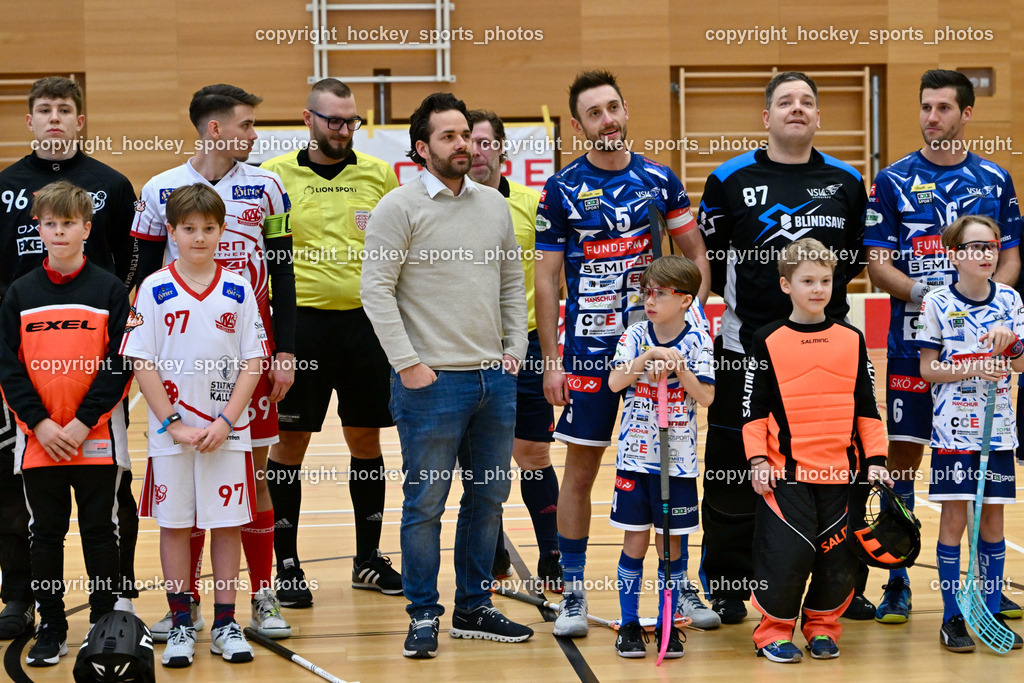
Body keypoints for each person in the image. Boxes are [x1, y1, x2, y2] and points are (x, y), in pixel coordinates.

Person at [535, 69, 716, 638]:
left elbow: (695, 255)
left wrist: (687, 326)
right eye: (594, 113)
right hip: (591, 354)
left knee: (672, 468)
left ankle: (678, 586)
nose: (607, 120)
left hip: (658, 351)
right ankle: (571, 592)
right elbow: (545, 281)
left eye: (613, 107)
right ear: (578, 124)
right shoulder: (561, 189)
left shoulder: (660, 180)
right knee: (581, 470)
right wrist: (551, 359)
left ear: (626, 109)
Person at [361, 92, 532, 658]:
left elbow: (511, 282)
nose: (465, 146)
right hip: (431, 386)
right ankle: (422, 614)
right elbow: (375, 291)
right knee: (425, 504)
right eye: (451, 137)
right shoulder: (398, 208)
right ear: (422, 147)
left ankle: (474, 607)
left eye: (470, 136)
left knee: (487, 500)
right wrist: (408, 366)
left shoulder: (493, 206)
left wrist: (514, 347)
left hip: (494, 381)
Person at [697, 71, 868, 624]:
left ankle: (842, 587)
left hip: (828, 355)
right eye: (786, 102)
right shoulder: (727, 179)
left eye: (808, 102)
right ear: (765, 117)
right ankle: (728, 583)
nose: (798, 109)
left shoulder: (846, 181)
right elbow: (710, 262)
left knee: (839, 471)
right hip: (746, 351)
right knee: (733, 469)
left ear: (819, 118)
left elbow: (856, 259)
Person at [131, 84, 294, 640]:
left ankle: (262, 596)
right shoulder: (159, 190)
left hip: (247, 350)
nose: (254, 135)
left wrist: (285, 350)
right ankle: (188, 606)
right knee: (185, 488)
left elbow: (285, 273)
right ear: (216, 129)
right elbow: (141, 277)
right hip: (178, 360)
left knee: (253, 473)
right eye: (246, 125)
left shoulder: (268, 186)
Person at [865, 69, 1022, 624]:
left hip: (979, 354)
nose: (932, 118)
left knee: (979, 465)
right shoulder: (893, 179)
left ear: (965, 114)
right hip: (914, 350)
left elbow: (1011, 258)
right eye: (925, 107)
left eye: (943, 108)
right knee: (903, 463)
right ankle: (898, 579)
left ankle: (986, 587)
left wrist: (985, 303)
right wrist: (928, 293)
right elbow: (877, 262)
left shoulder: (995, 179)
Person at [0, 76, 140, 639]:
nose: (54, 118)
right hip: (22, 363)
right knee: (23, 498)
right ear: (29, 121)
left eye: (65, 110)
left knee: (109, 497)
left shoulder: (110, 183)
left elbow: (134, 260)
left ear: (80, 121)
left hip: (94, 365)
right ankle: (20, 600)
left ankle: (119, 597)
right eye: (44, 110)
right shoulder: (5, 185)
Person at [262, 78, 402, 606]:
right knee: (290, 444)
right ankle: (288, 564)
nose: (343, 131)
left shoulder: (378, 175)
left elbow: (396, 250)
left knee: (366, 441)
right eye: (333, 121)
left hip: (366, 327)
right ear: (308, 119)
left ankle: (367, 559)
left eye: (351, 122)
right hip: (302, 328)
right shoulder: (274, 177)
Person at [123, 184, 269, 667]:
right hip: (173, 435)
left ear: (222, 231)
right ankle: (182, 622)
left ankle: (227, 622)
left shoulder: (238, 286)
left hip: (228, 431)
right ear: (172, 232)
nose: (199, 238)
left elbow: (254, 361)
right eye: (189, 229)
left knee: (226, 525)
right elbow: (141, 363)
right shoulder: (153, 288)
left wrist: (227, 421)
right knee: (176, 525)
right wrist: (173, 423)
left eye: (209, 229)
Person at [744, 238, 890, 663]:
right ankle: (772, 631)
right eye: (808, 280)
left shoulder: (851, 337)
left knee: (837, 561)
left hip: (843, 474)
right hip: (786, 474)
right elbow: (752, 408)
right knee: (785, 556)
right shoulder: (767, 338)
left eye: (825, 280)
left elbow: (867, 404)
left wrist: (877, 460)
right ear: (786, 284)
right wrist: (756, 460)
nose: (818, 289)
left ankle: (822, 628)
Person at [916, 215, 1024, 652]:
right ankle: (952, 617)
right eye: (974, 247)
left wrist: (1010, 344)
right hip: (953, 433)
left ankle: (991, 610)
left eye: (990, 246)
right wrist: (971, 366)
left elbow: (1019, 364)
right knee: (956, 521)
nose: (984, 254)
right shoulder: (937, 302)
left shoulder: (1012, 300)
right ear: (954, 254)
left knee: (993, 523)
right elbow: (926, 370)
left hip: (998, 431)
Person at [466, 109, 562, 588]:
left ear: (503, 148)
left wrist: (550, 357)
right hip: (465, 349)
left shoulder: (532, 203)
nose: (477, 152)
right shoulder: (446, 205)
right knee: (482, 461)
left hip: (522, 344)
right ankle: (493, 555)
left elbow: (551, 281)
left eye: (486, 142)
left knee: (534, 453)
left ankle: (554, 556)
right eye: (470, 142)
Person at [607, 255, 714, 659]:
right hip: (636, 459)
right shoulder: (635, 334)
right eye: (647, 292)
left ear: (686, 300)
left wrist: (680, 369)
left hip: (679, 462)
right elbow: (616, 381)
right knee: (635, 540)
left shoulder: (698, 340)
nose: (650, 300)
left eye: (662, 294)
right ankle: (630, 624)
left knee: (670, 546)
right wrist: (645, 360)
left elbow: (706, 396)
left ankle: (667, 621)